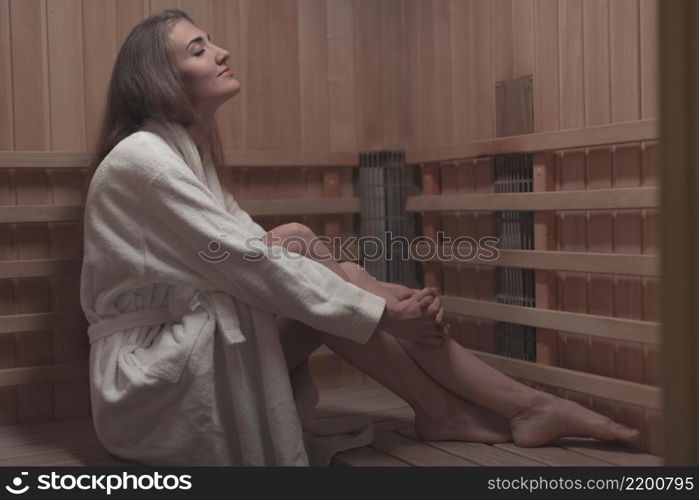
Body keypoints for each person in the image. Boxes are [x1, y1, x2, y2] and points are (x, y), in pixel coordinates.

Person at [80, 9, 641, 466]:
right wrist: (382, 310)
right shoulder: (144, 161)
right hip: (151, 385)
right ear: (160, 79)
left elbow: (253, 251)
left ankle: (491, 406)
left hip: (188, 344)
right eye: (198, 49)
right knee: (304, 255)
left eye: (211, 42)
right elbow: (248, 263)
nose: (221, 51)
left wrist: (370, 292)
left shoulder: (181, 153)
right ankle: (520, 404)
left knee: (303, 247)